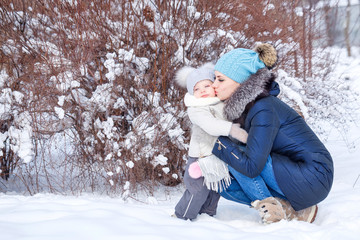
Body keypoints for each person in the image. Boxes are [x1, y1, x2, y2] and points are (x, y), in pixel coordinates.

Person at [210, 43, 334, 224]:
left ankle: (275, 210)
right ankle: (288, 209)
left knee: (235, 154)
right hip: (295, 173)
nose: (214, 85)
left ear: (241, 81)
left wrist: (217, 143)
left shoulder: (263, 108)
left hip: (314, 175)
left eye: (220, 80)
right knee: (224, 184)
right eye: (214, 79)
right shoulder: (247, 107)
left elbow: (252, 166)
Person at [173, 63, 248, 220]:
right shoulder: (196, 109)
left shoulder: (221, 103)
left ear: (214, 85)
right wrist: (234, 130)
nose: (202, 91)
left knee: (215, 189)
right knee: (197, 189)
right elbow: (210, 125)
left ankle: (207, 216)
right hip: (200, 157)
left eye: (206, 85)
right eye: (197, 89)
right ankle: (182, 216)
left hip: (219, 155)